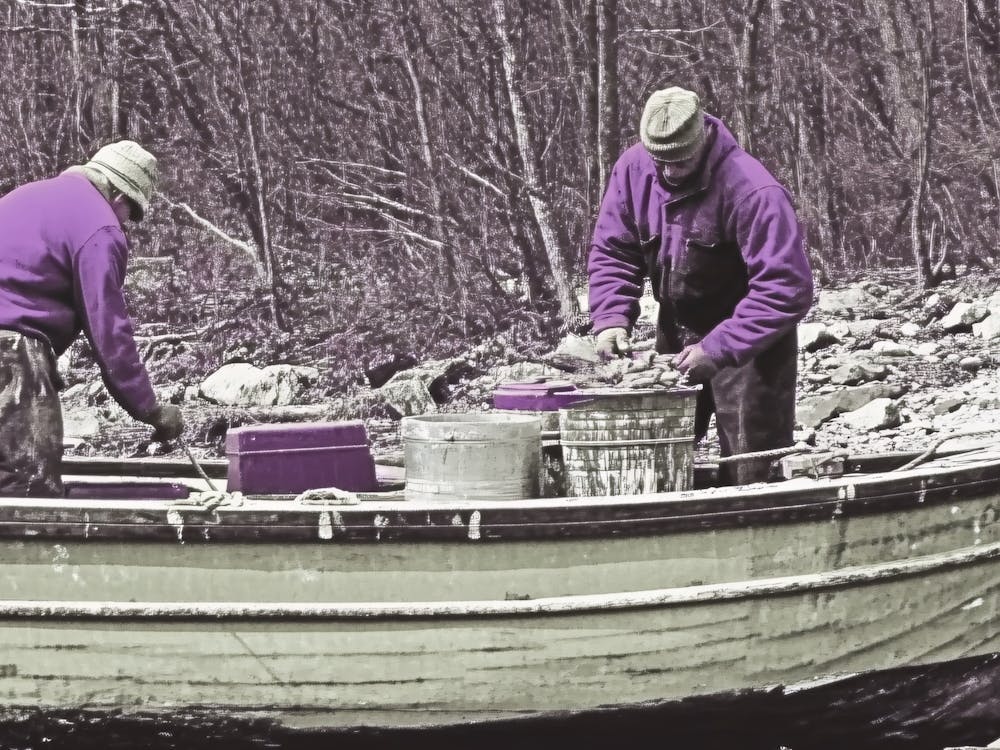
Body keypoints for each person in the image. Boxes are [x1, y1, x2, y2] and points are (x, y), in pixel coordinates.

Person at [588, 86, 813, 485]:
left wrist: (719, 348)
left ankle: (752, 512)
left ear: (704, 138)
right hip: (677, 327)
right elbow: (613, 251)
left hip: (751, 340)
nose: (671, 171)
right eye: (662, 162)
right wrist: (610, 319)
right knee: (652, 459)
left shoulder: (754, 190)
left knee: (751, 466)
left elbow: (785, 288)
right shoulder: (632, 170)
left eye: (681, 161)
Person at [0, 140, 184, 496]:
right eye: (131, 212)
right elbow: (109, 333)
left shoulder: (26, 196)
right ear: (119, 195)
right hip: (10, 349)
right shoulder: (100, 226)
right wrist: (150, 409)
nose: (126, 223)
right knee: (27, 489)